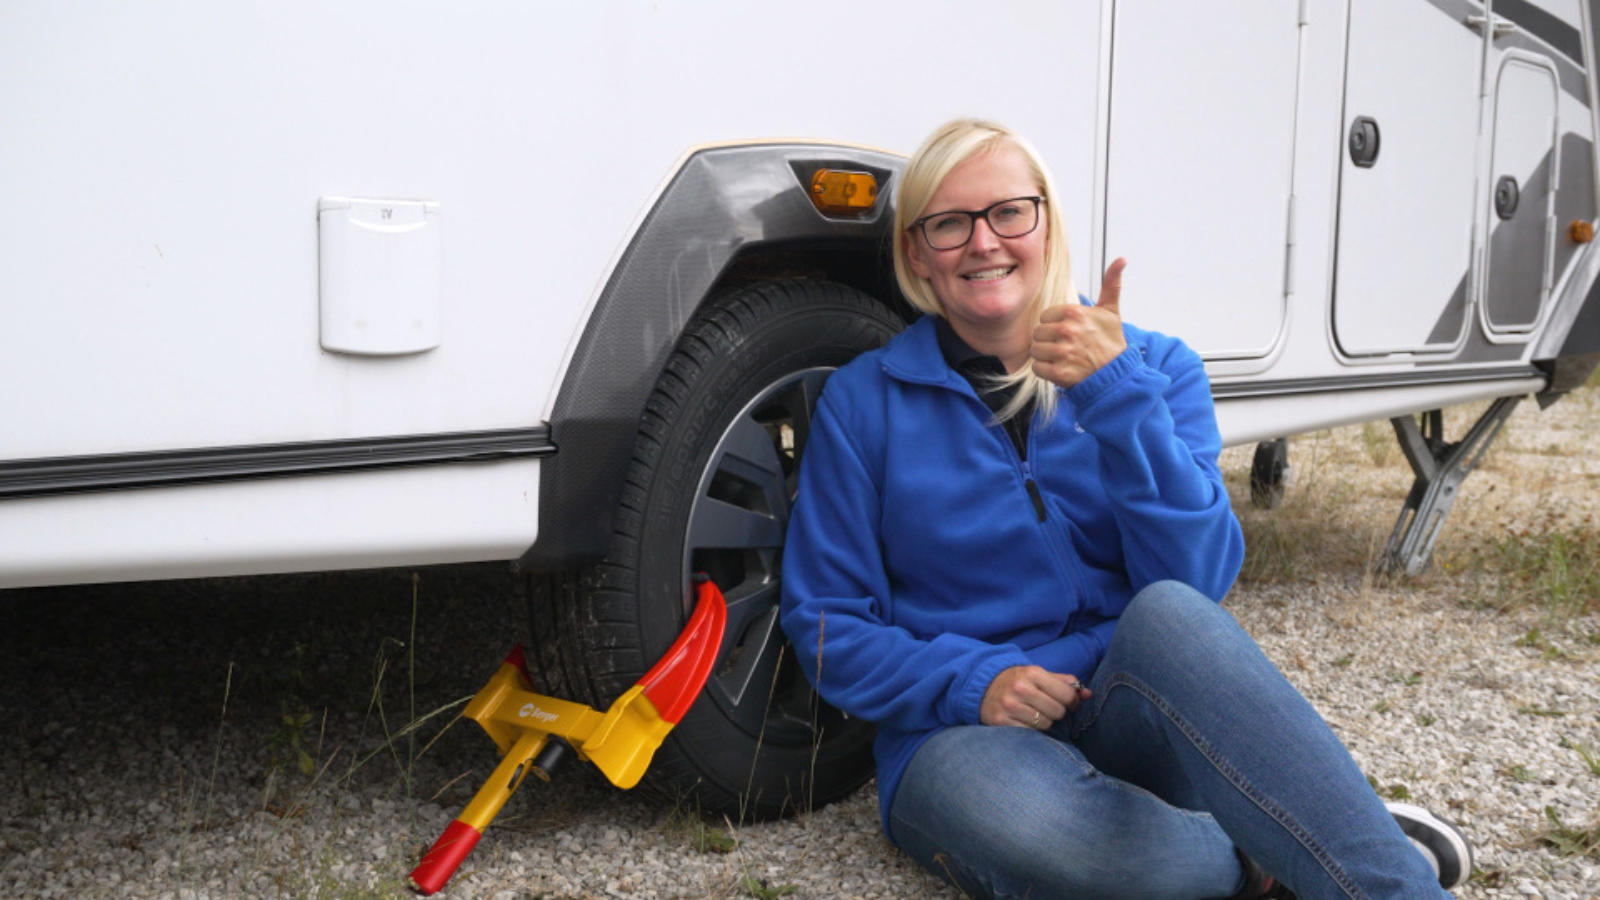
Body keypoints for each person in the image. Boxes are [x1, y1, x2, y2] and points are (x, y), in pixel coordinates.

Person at [778, 118, 1474, 899]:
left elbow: (1195, 579)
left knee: (1172, 614)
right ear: (916, 254)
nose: (983, 243)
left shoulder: (1156, 368)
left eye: (1009, 211)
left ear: (1046, 220)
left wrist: (1114, 397)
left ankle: (1385, 882)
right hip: (965, 732)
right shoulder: (864, 402)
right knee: (1104, 855)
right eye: (949, 224)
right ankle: (1286, 845)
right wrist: (975, 680)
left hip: (1133, 695)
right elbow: (831, 626)